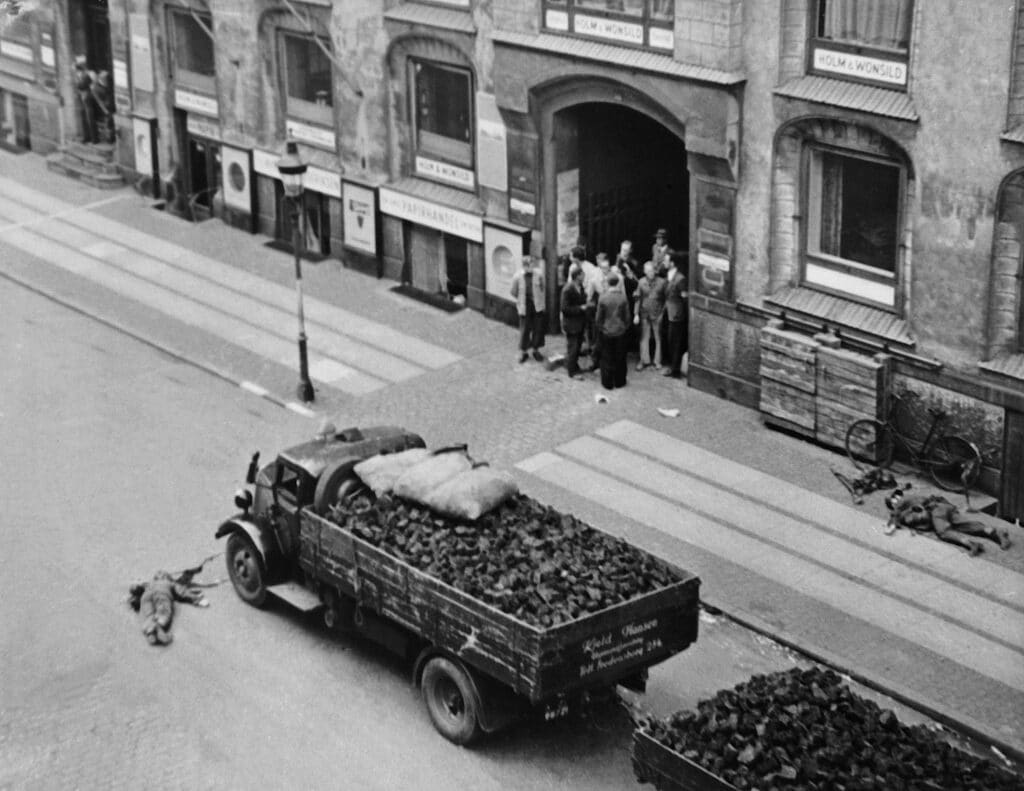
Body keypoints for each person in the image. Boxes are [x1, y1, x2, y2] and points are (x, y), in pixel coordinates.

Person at [885, 490, 1011, 555]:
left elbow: (895, 515)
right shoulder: (910, 501)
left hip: (936, 511)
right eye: (892, 503)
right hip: (944, 507)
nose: (894, 503)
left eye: (893, 500)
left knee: (944, 532)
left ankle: (971, 544)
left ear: (896, 498)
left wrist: (891, 523)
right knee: (968, 526)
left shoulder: (902, 501)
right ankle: (996, 532)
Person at [128, 571, 209, 646]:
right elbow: (182, 592)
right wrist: (197, 599)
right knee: (163, 612)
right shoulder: (169, 583)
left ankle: (150, 631)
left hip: (146, 596)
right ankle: (158, 629)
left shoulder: (149, 583)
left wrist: (134, 592)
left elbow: (137, 588)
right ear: (167, 577)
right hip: (162, 594)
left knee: (147, 613)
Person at [595, 271, 630, 390]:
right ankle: (620, 381)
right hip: (620, 331)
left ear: (608, 283)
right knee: (620, 357)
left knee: (606, 357)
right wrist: (624, 327)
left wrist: (601, 327)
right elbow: (627, 317)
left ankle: (607, 382)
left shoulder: (603, 298)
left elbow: (598, 318)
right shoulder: (623, 297)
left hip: (607, 331)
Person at [510, 255, 546, 363]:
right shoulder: (517, 276)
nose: (532, 267)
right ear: (524, 266)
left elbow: (542, 288)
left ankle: (536, 349)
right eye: (529, 265)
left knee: (538, 328)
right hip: (524, 304)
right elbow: (513, 291)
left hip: (537, 304)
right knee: (525, 329)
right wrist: (521, 300)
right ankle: (523, 351)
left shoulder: (539, 274)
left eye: (532, 264)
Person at [634, 260, 667, 371]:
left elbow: (666, 299)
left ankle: (657, 361)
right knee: (644, 337)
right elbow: (638, 298)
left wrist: (663, 313)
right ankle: (644, 360)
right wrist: (636, 314)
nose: (650, 273)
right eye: (647, 271)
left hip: (657, 314)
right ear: (644, 271)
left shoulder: (662, 282)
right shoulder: (641, 282)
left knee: (658, 338)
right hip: (644, 313)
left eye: (652, 270)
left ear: (655, 271)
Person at [663, 252, 688, 378]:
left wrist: (679, 312)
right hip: (668, 312)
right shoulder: (668, 275)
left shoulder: (680, 278)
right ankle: (671, 366)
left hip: (676, 315)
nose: (664, 262)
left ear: (672, 263)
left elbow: (684, 298)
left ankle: (675, 369)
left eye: (666, 260)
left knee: (676, 342)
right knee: (670, 341)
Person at [560, 265, 587, 378]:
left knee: (577, 346)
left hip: (579, 323)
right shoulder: (568, 289)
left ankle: (574, 365)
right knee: (573, 347)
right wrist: (580, 308)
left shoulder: (580, 286)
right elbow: (565, 308)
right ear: (577, 276)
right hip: (571, 324)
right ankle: (572, 372)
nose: (584, 276)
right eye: (582, 275)